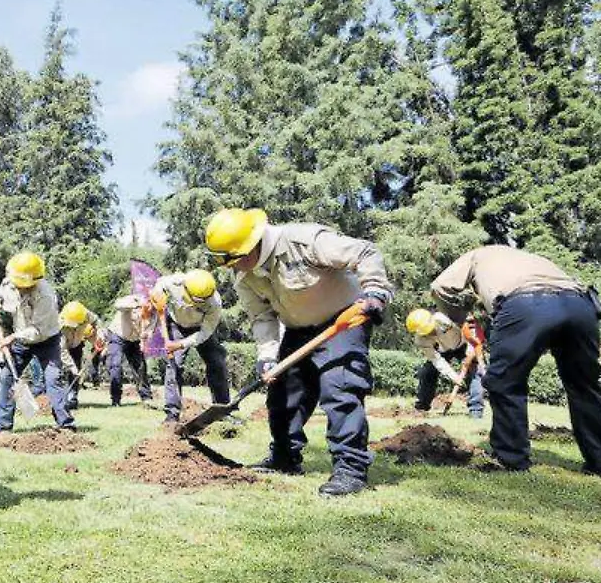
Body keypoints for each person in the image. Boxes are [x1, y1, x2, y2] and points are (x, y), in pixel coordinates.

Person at [206, 208, 392, 496]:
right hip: (297, 328)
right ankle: (284, 458)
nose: (233, 267)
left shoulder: (304, 241)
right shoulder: (244, 276)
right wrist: (267, 356)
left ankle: (350, 470)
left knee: (340, 387)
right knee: (282, 394)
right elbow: (262, 317)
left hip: (343, 321)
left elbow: (365, 252)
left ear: (252, 245)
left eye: (235, 259)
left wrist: (375, 291)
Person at [431, 246, 601, 477]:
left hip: (526, 304)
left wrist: (458, 319)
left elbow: (440, 286)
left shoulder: (477, 255)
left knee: (505, 381)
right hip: (580, 306)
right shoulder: (532, 258)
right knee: (585, 385)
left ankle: (511, 458)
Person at [0, 251, 76, 434]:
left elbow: (37, 331)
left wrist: (12, 338)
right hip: (20, 341)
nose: (20, 288)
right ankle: (2, 426)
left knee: (53, 379)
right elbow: (0, 307)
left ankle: (66, 425)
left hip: (47, 340)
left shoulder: (45, 295)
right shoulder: (8, 284)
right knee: (6, 377)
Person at [150, 269, 229, 423]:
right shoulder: (174, 282)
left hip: (200, 329)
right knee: (173, 366)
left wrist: (180, 344)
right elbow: (159, 284)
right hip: (176, 325)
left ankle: (222, 410)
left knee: (217, 363)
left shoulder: (215, 303)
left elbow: (205, 332)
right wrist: (157, 294)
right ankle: (172, 414)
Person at [406, 309, 485, 419]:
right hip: (442, 351)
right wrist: (454, 377)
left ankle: (476, 410)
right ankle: (422, 407)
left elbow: (468, 326)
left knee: (475, 371)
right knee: (427, 372)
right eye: (427, 333)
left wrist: (471, 349)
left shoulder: (443, 318)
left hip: (463, 344)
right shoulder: (420, 340)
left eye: (431, 330)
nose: (431, 333)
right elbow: (436, 360)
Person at [105, 293, 153, 406]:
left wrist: (145, 337)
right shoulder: (133, 300)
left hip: (134, 339)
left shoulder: (155, 313)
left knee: (140, 367)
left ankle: (146, 397)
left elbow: (150, 330)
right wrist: (135, 304)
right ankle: (116, 399)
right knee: (115, 365)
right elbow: (118, 305)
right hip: (118, 335)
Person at [58, 301, 102, 410]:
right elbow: (62, 351)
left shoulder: (85, 314)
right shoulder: (59, 325)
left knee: (75, 373)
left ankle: (72, 398)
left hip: (77, 344)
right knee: (60, 372)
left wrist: (99, 335)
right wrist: (72, 367)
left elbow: (97, 321)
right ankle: (57, 400)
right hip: (60, 348)